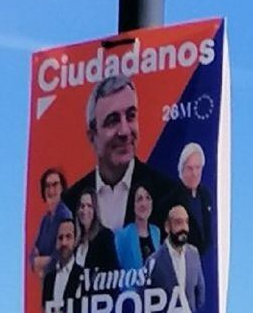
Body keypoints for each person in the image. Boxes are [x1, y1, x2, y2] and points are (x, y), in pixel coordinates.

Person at [63, 75, 182, 236]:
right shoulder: (70, 203)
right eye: (113, 121)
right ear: (92, 136)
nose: (125, 131)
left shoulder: (166, 193)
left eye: (131, 116)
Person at [146, 204, 206, 313]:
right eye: (178, 222)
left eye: (186, 222)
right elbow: (146, 302)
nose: (184, 227)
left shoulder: (194, 254)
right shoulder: (153, 261)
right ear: (167, 227)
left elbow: (200, 292)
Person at [29, 167, 72, 277]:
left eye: (55, 185)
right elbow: (33, 255)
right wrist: (40, 261)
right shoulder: (45, 220)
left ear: (62, 187)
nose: (51, 190)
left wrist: (42, 264)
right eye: (47, 186)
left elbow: (64, 255)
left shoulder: (65, 216)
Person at [172, 142, 213, 254]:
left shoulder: (206, 195)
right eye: (190, 168)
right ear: (182, 169)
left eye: (198, 168)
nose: (195, 173)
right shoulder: (173, 198)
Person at [72, 189, 119, 282]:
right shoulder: (75, 241)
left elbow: (112, 272)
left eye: (89, 206)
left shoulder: (105, 236)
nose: (85, 210)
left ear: (95, 210)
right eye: (82, 206)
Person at [113, 184, 160, 270]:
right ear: (133, 204)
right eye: (139, 199)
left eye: (148, 198)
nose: (144, 204)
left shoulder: (156, 231)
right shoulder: (122, 235)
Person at [41, 217, 80, 313]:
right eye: (60, 238)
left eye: (68, 237)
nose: (64, 243)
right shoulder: (48, 279)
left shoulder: (83, 275)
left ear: (75, 240)